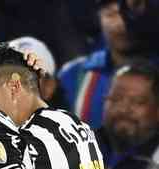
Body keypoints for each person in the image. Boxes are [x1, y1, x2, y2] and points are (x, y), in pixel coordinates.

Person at [58, 0, 148, 129]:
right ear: (99, 18)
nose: (121, 23)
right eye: (111, 14)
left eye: (130, 13)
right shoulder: (72, 74)